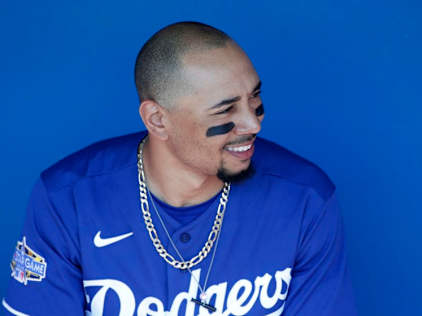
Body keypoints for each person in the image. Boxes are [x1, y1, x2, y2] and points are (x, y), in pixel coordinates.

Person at [3, 21, 357, 315]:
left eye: (255, 99)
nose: (253, 123)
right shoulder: (67, 199)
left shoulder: (305, 198)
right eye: (225, 111)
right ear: (157, 120)